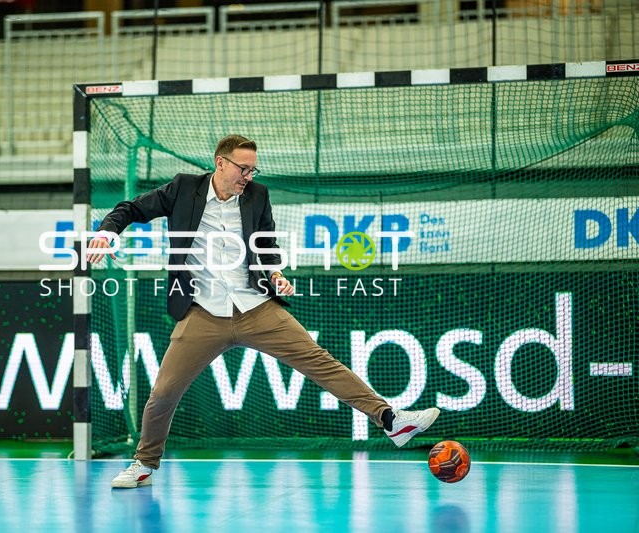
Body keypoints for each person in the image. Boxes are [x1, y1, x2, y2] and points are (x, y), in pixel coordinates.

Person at [87, 135, 440, 489]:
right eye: (243, 168)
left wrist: (274, 273)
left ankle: (391, 420)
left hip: (255, 306)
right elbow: (130, 209)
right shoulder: (183, 189)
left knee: (320, 361)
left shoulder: (257, 195)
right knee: (164, 392)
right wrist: (106, 233)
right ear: (220, 163)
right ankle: (144, 464)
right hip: (202, 312)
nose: (249, 176)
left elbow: (266, 243)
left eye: (253, 170)